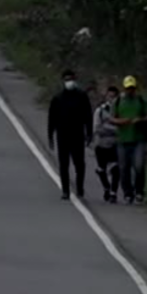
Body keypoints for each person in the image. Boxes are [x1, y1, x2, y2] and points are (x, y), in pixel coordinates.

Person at [47, 69, 93, 200]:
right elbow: (52, 118)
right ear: (63, 81)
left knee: (79, 163)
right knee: (63, 164)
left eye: (71, 79)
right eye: (67, 80)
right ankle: (65, 190)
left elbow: (88, 115)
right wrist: (50, 135)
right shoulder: (57, 98)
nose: (69, 82)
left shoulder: (82, 96)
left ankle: (79, 188)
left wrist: (89, 133)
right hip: (62, 135)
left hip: (77, 134)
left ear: (75, 80)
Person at [112, 75, 147, 204]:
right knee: (124, 168)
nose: (130, 90)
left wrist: (140, 120)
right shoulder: (118, 101)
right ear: (124, 88)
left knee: (139, 166)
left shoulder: (141, 101)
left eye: (132, 88)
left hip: (138, 139)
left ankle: (139, 191)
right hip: (123, 140)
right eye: (128, 88)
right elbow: (112, 118)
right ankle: (127, 193)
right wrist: (122, 121)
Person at [92, 86, 121, 203]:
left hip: (116, 144)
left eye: (114, 97)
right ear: (106, 97)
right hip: (101, 144)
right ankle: (106, 187)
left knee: (116, 169)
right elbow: (97, 128)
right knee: (101, 169)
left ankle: (113, 192)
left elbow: (124, 127)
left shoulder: (120, 111)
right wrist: (114, 129)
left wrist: (110, 127)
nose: (112, 99)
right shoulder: (100, 111)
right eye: (110, 96)